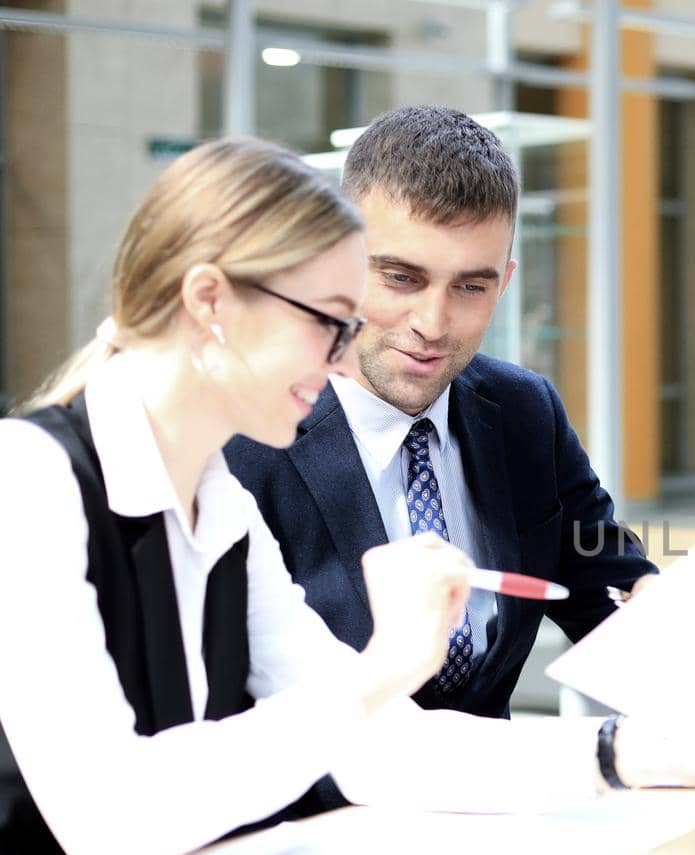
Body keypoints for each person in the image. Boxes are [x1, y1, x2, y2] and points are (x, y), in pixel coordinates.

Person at [0, 138, 695, 855]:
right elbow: (112, 821)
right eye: (329, 322)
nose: (347, 360)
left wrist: (629, 750)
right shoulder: (27, 477)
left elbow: (375, 747)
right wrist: (381, 669)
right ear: (210, 301)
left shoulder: (219, 495)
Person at [226, 106, 652, 721]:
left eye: (470, 288)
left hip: (500, 803)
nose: (432, 324)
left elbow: (609, 593)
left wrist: (677, 641)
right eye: (400, 278)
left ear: (503, 284)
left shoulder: (523, 411)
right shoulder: (247, 437)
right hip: (318, 807)